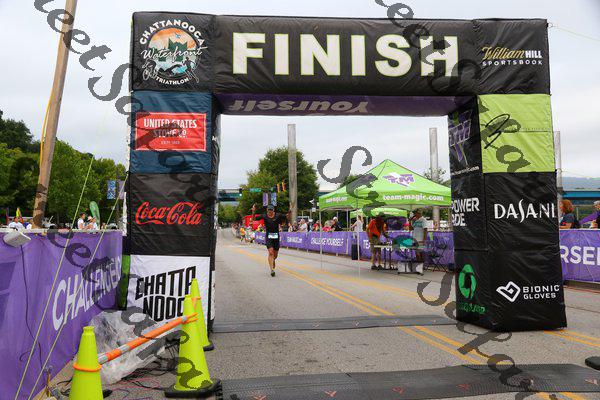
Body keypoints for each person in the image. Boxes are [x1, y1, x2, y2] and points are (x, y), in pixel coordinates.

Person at [250, 204, 291, 277]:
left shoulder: (278, 215)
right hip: (268, 236)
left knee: (275, 255)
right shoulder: (264, 216)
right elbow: (253, 219)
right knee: (271, 252)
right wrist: (253, 212)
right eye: (269, 210)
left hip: (276, 237)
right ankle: (272, 270)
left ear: (273, 210)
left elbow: (287, 217)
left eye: (271, 210)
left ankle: (273, 260)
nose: (270, 212)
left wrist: (290, 212)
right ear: (267, 210)